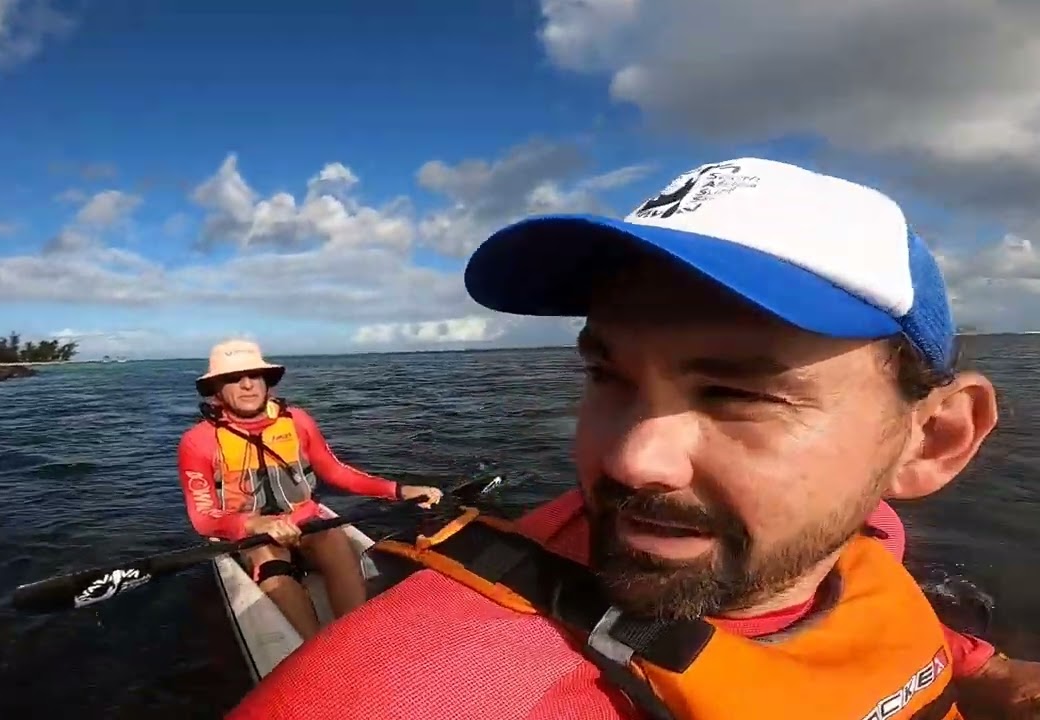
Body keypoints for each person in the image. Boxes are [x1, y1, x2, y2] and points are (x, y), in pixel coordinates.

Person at [225, 158, 1040, 719]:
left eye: (735, 393)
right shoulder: (408, 693)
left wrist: (988, 669)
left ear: (930, 442)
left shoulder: (862, 533)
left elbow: (864, 604)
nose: (628, 459)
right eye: (607, 376)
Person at [178, 338, 442, 640]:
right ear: (217, 390)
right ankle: (316, 649)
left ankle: (356, 636)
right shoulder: (197, 441)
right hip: (254, 535)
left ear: (267, 382)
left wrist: (398, 490)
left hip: (304, 520)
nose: (247, 385)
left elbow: (337, 472)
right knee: (273, 569)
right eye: (233, 379)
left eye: (255, 376)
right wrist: (253, 523)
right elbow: (203, 516)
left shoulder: (298, 421)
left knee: (333, 538)